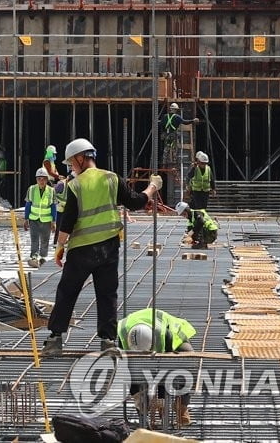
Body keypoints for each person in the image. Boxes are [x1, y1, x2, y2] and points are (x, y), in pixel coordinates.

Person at [42, 138, 161, 357]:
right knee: (107, 294)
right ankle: (108, 342)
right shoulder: (112, 178)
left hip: (81, 250)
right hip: (108, 248)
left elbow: (67, 221)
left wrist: (59, 247)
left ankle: (55, 339)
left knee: (67, 292)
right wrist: (152, 187)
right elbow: (135, 202)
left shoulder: (76, 185)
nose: (71, 168)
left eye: (71, 163)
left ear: (80, 158)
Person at [118, 308, 197, 425]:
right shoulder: (122, 332)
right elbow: (128, 371)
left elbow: (165, 368)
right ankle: (143, 411)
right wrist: (138, 398)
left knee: (190, 364)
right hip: (143, 329)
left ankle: (181, 407)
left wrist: (161, 400)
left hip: (172, 332)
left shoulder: (163, 335)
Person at [23, 167, 57, 268]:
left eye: (43, 179)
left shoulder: (51, 191)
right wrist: (26, 219)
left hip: (46, 220)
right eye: (39, 179)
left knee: (45, 240)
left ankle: (43, 257)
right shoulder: (32, 189)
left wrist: (54, 221)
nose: (41, 181)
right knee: (34, 239)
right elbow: (28, 204)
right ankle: (34, 257)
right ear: (36, 180)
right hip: (34, 219)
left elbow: (53, 206)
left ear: (47, 179)